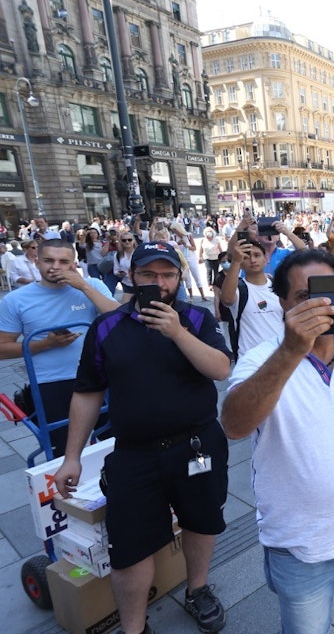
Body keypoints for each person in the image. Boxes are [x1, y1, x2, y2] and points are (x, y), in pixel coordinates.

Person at [221, 249, 334, 634]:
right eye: (305, 297)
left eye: (327, 293)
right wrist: (291, 349)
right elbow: (234, 425)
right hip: (301, 542)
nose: (319, 305)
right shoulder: (260, 359)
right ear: (282, 303)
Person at [53, 242, 231, 634]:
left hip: (196, 445)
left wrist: (177, 333)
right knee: (129, 546)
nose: (159, 282)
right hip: (134, 454)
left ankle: (197, 589)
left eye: (167, 275)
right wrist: (72, 456)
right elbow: (87, 392)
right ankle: (134, 627)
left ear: (179, 278)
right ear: (132, 277)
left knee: (201, 522)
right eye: (149, 275)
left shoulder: (196, 319)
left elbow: (220, 369)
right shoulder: (108, 327)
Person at [0, 239, 118, 457]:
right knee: (65, 451)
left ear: (74, 264)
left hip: (102, 376)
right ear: (36, 261)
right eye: (48, 260)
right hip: (52, 383)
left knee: (120, 441)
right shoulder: (16, 300)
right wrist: (45, 344)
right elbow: (2, 348)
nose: (55, 267)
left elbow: (121, 320)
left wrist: (82, 285)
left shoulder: (92, 286)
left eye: (64, 261)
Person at [220, 237, 284, 359]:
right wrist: (236, 261)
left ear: (265, 259)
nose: (252, 260)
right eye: (246, 257)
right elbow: (227, 299)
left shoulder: (278, 287)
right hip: (250, 360)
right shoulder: (238, 289)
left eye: (257, 255)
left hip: (280, 356)